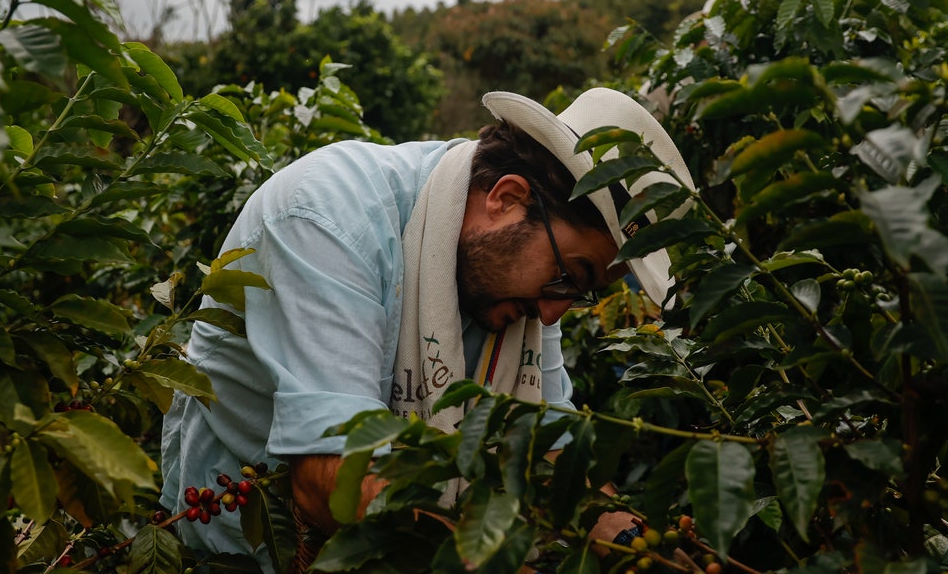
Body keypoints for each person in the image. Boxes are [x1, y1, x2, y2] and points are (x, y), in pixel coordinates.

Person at [159, 87, 695, 569]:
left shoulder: (523, 286)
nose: (554, 314)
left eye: (580, 293)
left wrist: (635, 543)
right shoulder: (328, 217)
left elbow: (543, 448)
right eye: (569, 277)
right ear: (507, 198)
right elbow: (331, 477)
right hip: (240, 547)